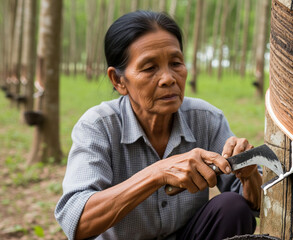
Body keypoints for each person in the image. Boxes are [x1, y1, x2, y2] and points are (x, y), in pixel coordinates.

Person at [55, 10, 262, 240]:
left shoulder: (206, 119)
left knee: (233, 207)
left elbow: (257, 206)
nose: (168, 78)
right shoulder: (98, 126)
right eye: (149, 68)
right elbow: (76, 220)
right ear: (118, 80)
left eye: (176, 63)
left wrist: (250, 175)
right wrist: (157, 173)